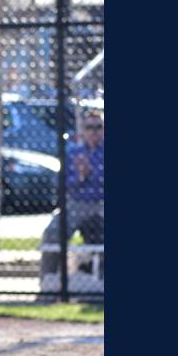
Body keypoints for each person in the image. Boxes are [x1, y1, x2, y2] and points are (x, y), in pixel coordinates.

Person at [40, 109, 104, 288]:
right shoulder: (74, 153)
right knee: (52, 234)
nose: (93, 131)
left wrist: (95, 173)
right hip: (77, 203)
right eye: (89, 127)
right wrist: (80, 176)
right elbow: (60, 183)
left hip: (102, 202)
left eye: (98, 127)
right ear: (83, 129)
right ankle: (48, 284)